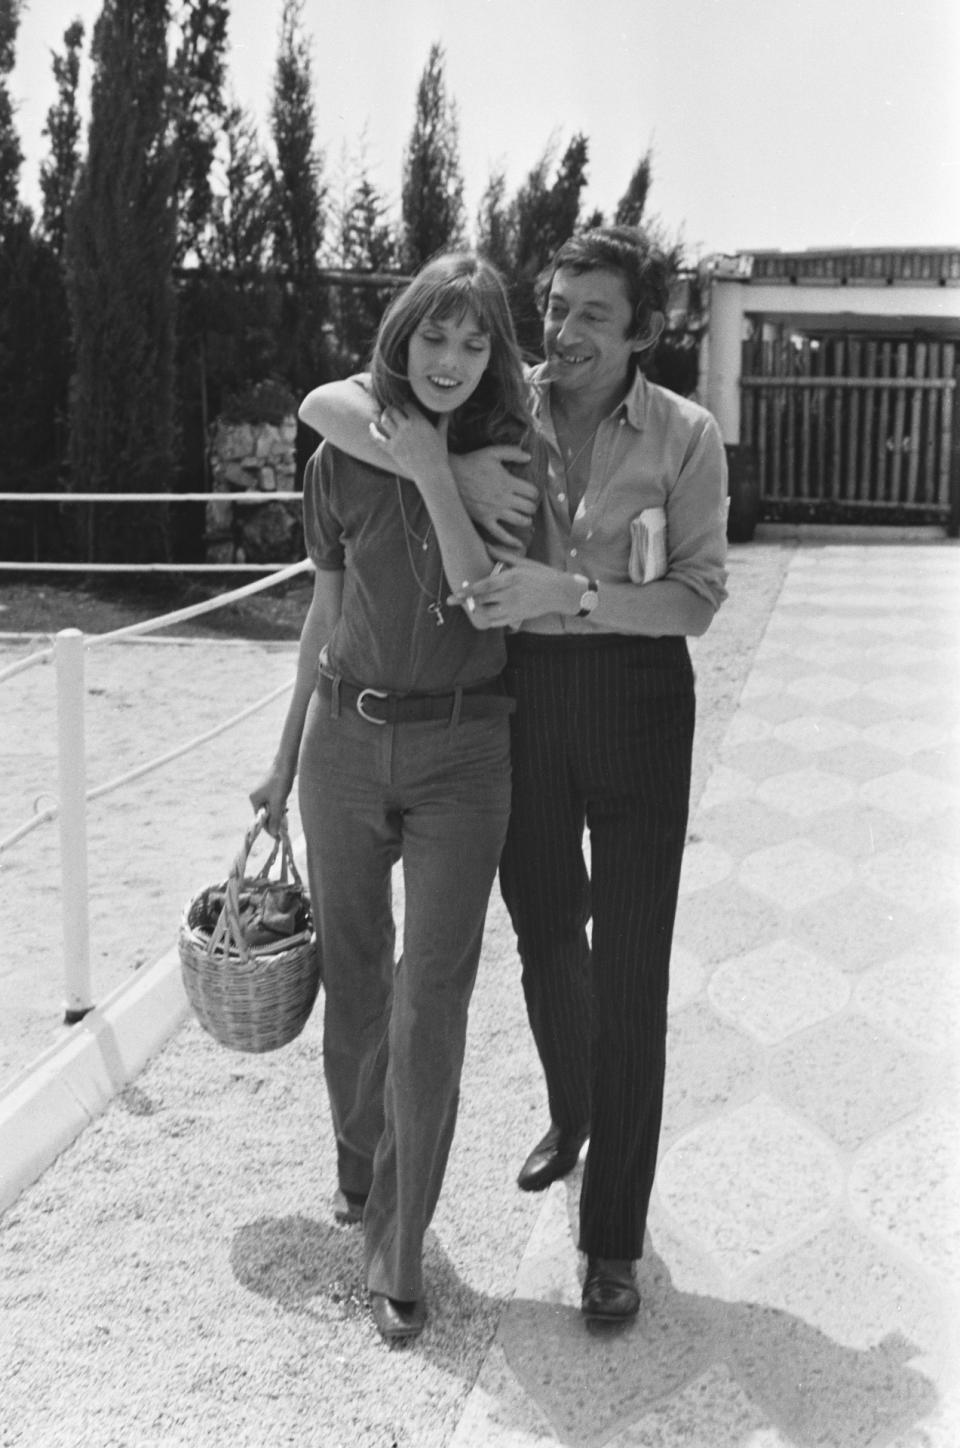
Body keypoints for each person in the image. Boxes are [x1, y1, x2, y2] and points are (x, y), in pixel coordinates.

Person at [302, 226, 728, 1325]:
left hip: (636, 703)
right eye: (556, 306)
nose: (566, 331)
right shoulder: (502, 402)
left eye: (595, 312)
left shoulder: (686, 435)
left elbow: (695, 598)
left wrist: (570, 595)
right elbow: (340, 405)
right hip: (523, 707)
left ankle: (612, 1240)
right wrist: (429, 461)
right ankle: (574, 1109)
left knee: (628, 968)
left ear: (643, 329)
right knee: (548, 937)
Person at [251, 252, 534, 1344]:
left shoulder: (513, 463)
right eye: (435, 338)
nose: (453, 360)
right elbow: (322, 617)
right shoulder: (340, 454)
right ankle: (358, 1160)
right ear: (403, 339)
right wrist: (282, 762)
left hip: (467, 752)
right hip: (341, 741)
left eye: (474, 341)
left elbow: (480, 597)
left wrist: (435, 469)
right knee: (355, 971)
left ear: (495, 352)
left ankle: (398, 1248)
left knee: (434, 994)